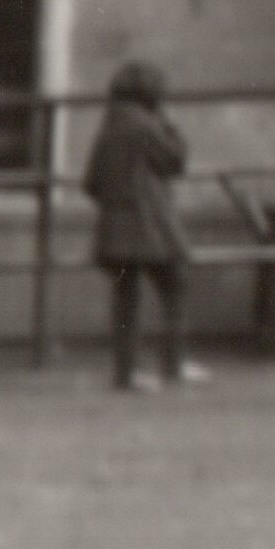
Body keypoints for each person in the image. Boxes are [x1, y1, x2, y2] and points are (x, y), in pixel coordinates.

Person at [88, 55, 199, 390]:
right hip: (150, 225)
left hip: (114, 226)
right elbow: (175, 161)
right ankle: (173, 364)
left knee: (126, 297)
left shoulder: (108, 126)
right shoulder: (146, 124)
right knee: (176, 284)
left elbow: (91, 181)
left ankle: (127, 372)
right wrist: (171, 125)